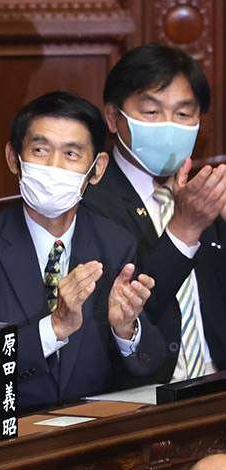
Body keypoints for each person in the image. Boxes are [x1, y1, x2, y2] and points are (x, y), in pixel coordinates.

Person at [0, 92, 166, 427]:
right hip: (2, 439)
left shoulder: (115, 244)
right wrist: (54, 328)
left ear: (97, 169)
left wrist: (126, 329)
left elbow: (151, 363)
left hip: (92, 435)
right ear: (13, 158)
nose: (55, 166)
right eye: (40, 151)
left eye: (71, 154)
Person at [82, 44, 226, 384]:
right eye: (151, 112)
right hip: (147, 396)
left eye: (183, 114)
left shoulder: (207, 191)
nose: (169, 126)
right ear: (113, 118)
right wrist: (183, 231)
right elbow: (114, 315)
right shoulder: (89, 202)